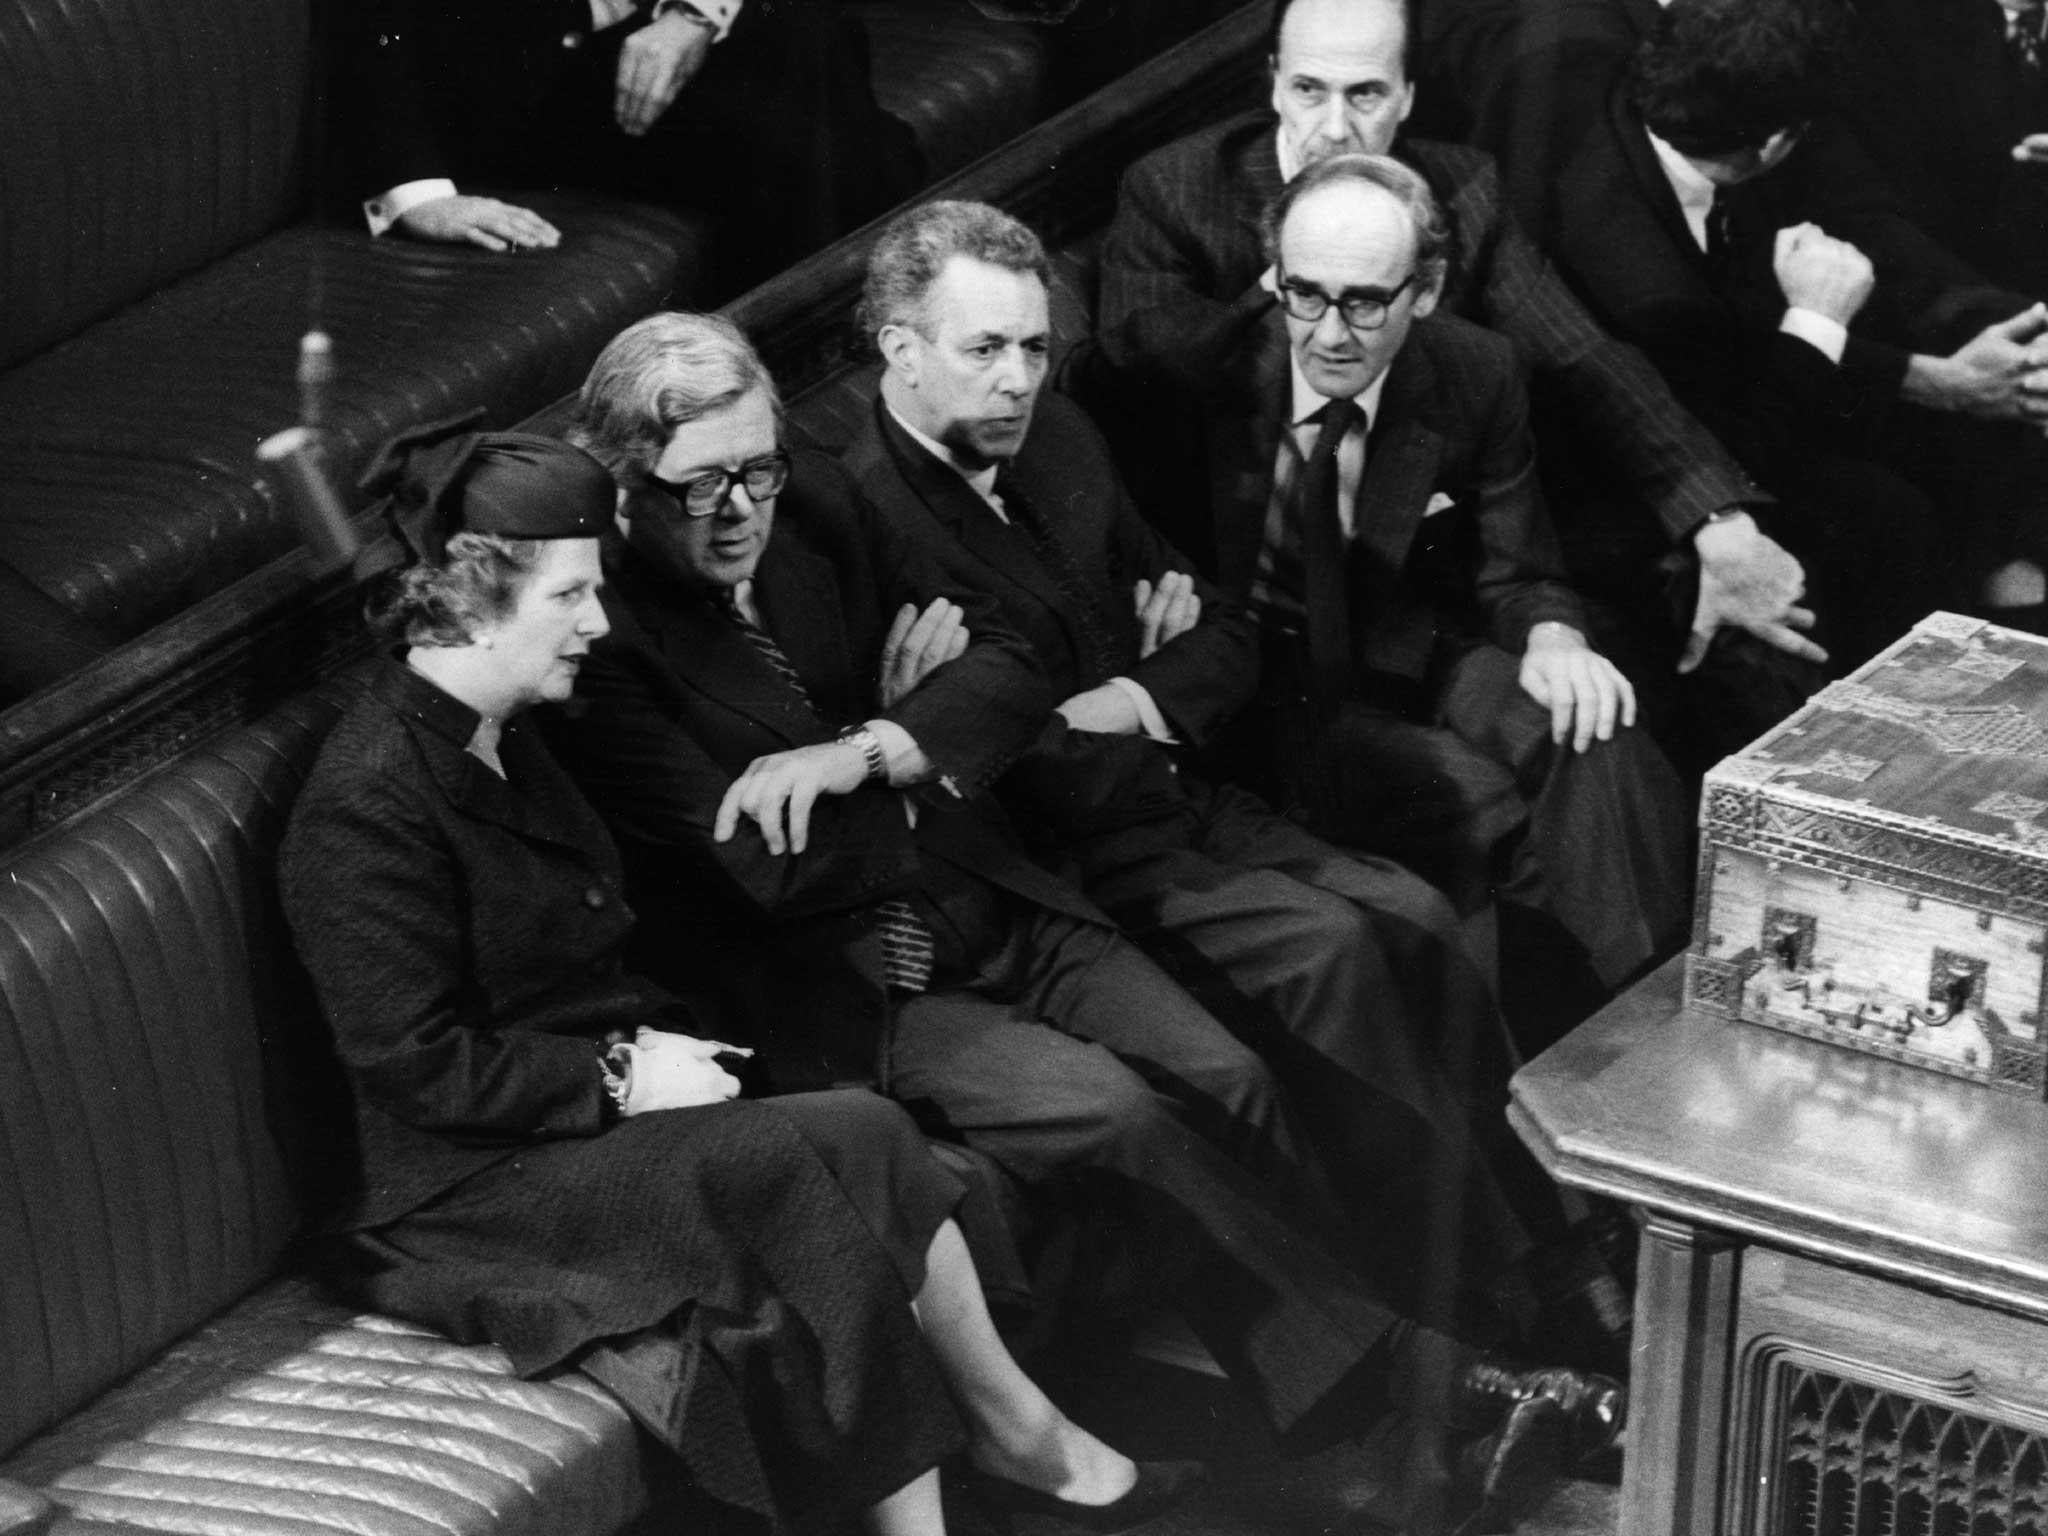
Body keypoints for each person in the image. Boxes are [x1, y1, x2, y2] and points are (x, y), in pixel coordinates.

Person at [550, 311, 1624, 1527]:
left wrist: (876, 746)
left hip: (989, 890)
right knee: (1114, 1116)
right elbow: (763, 875)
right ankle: (1417, 1404)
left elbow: (1011, 663)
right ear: (628, 485)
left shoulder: (812, 513)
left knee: (1226, 1069)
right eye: (702, 486)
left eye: (759, 468)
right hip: (853, 979)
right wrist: (928, 738)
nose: (741, 507)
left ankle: (1377, 1424)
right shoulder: (602, 642)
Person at [279, 424, 1197, 1536]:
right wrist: (619, 1074)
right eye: (570, 598)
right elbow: (412, 1066)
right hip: (461, 1183)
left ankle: (1012, 1438)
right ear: (472, 600)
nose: (598, 624)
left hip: (564, 1123)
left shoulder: (506, 731)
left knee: (866, 1132)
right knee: (782, 1163)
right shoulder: (369, 800)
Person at [841, 198, 1611, 1347]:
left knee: (1414, 915)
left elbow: (1224, 629)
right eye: (983, 350)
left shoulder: (1058, 438)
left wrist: (1132, 695)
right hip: (1064, 860)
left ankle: (1551, 1246)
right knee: (1335, 951)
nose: (1017, 380)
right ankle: (1472, 1300)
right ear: (900, 351)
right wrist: (1134, 680)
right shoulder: (856, 511)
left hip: (1167, 787)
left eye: (1034, 347)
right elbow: (1017, 769)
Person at [1083, 0, 1827, 774]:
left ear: (1407, 95)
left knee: (1752, 626)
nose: (1334, 127)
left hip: (1455, 549)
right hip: (1256, 579)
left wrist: (1717, 519)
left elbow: (1584, 358)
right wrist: (1281, 290)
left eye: (1365, 95)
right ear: (1272, 84)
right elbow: (1136, 382)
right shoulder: (1176, 192)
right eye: (1309, 90)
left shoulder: (1462, 189)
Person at [1173, 153, 1689, 1034]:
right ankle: (1571, 1057)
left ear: (1428, 287)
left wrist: (1558, 638)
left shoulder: (1475, 369)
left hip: (1411, 655)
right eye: (1305, 294)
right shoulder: (1199, 370)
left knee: (1597, 733)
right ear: (1275, 277)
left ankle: (1647, 1028)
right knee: (1479, 804)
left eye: (1366, 302)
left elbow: (1518, 571)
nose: (1331, 334)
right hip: (1260, 690)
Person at [335, 0, 920, 285]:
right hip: (520, 91)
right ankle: (832, 355)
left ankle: (828, 352)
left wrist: (693, 16)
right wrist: (419, 196)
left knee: (810, 28)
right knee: (848, 147)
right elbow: (364, 25)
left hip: (636, 35)